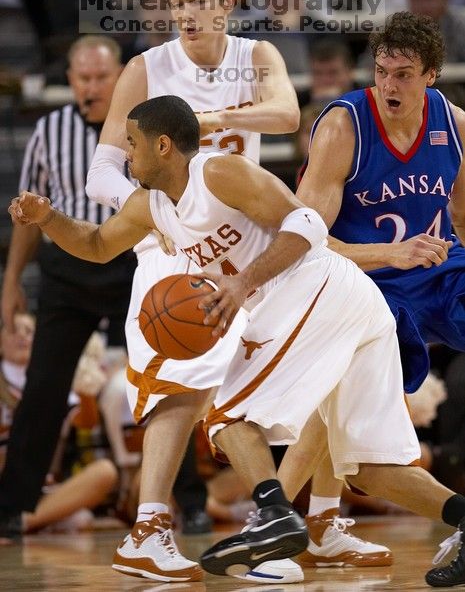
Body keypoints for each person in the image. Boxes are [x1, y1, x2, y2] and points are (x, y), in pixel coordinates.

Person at [10, 93, 465, 589]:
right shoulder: (151, 207)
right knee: (373, 470)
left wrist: (243, 282)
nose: (125, 156)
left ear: (163, 146)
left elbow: (308, 223)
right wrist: (49, 219)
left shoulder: (218, 173)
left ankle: (273, 516)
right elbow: (97, 246)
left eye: (132, 144)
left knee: (226, 417)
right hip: (349, 308)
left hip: (318, 291)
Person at [84, 0, 305, 583]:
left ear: (226, 4)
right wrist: (154, 208)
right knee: (187, 379)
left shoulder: (257, 58)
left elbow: (287, 114)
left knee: (285, 371)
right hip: (180, 242)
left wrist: (206, 121)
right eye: (177, 3)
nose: (186, 14)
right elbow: (103, 168)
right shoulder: (147, 69)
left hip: (251, 240)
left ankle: (300, 520)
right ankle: (152, 525)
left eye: (198, 2)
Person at [296, 10, 465, 587]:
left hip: (434, 267)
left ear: (433, 77)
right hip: (361, 281)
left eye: (404, 74)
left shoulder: (456, 125)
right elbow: (309, 241)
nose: (389, 85)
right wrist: (389, 255)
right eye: (382, 71)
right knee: (351, 425)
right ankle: (295, 519)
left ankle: (309, 522)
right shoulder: (344, 127)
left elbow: (463, 216)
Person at [0, 35, 135, 541]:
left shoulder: (141, 124)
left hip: (129, 262)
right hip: (67, 270)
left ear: (119, 75)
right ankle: (13, 507)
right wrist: (12, 279)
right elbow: (26, 214)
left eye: (101, 77)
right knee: (44, 387)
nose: (91, 86)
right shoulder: (49, 129)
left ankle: (183, 502)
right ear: (71, 80)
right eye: (83, 77)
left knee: (163, 378)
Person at [0, 314, 118, 537]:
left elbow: (86, 422)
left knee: (105, 472)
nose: (23, 336)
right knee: (81, 520)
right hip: (4, 482)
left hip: (42, 489)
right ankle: (38, 520)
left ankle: (22, 522)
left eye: (29, 331)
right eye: (14, 330)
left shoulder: (52, 379)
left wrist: (86, 390)